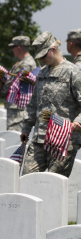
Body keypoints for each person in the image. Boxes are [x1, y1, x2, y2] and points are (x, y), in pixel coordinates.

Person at [20, 32, 81, 177]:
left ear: (53, 49)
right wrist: (26, 128)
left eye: (43, 55)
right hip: (39, 138)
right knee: (27, 178)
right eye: (39, 56)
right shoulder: (41, 73)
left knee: (54, 187)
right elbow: (33, 103)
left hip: (63, 140)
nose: (41, 59)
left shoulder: (73, 72)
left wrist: (78, 121)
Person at [0, 35, 38, 131]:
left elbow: (10, 84)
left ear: (18, 47)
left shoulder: (24, 64)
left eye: (13, 47)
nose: (12, 50)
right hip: (18, 106)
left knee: (13, 135)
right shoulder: (26, 62)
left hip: (17, 107)